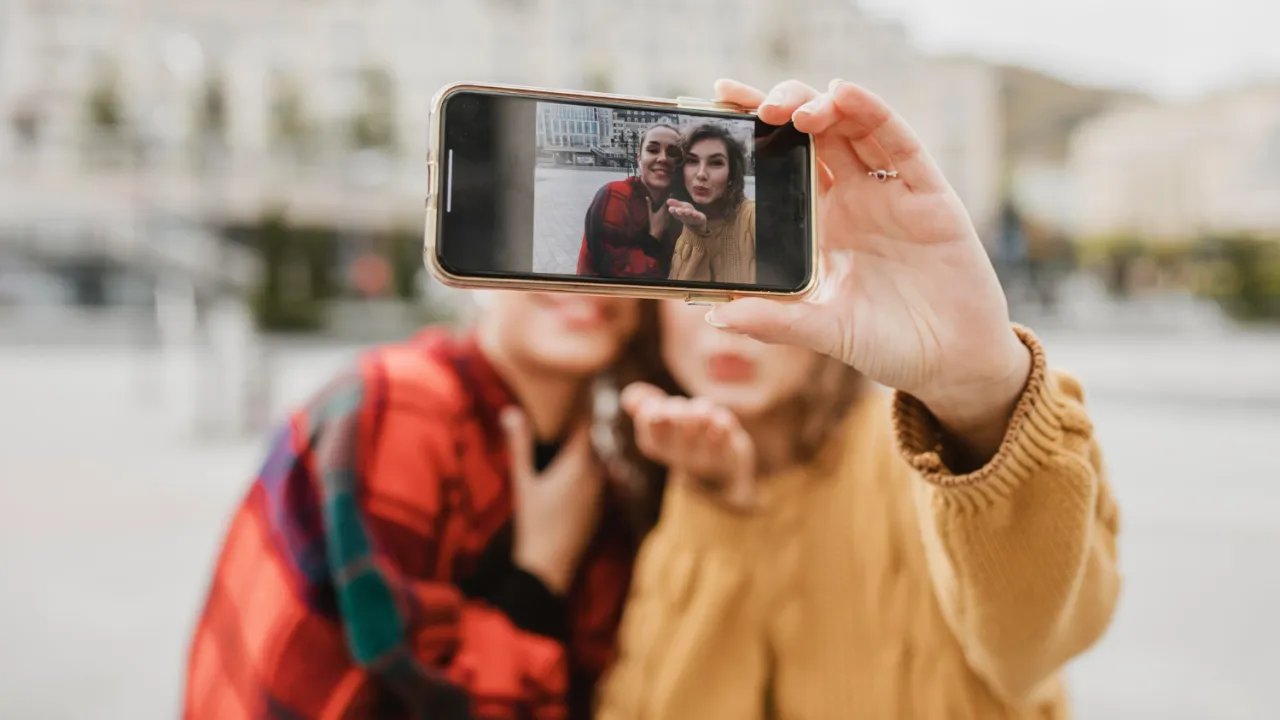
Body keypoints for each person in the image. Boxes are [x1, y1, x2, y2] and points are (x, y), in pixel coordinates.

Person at [594, 78, 1122, 719]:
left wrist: (980, 405)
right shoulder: (642, 476)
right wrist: (718, 510)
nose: (733, 315)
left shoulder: (925, 453)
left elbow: (1043, 639)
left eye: (760, 272)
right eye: (699, 285)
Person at [182, 292, 668, 719]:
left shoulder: (607, 463)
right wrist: (539, 576)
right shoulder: (401, 400)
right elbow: (410, 692)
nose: (580, 279)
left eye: (615, 253)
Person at [576, 123, 684, 279]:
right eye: (653, 150)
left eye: (673, 153)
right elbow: (618, 275)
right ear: (639, 159)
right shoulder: (615, 195)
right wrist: (654, 238)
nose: (662, 158)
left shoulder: (679, 205)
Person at [666, 122, 756, 284]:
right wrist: (695, 233)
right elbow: (682, 295)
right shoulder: (679, 219)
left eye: (715, 163)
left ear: (731, 174)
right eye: (692, 161)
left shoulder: (752, 216)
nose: (701, 174)